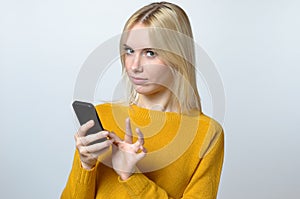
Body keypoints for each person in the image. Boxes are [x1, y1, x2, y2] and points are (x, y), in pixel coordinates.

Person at [61, 2, 224, 199]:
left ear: (178, 56)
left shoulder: (206, 134)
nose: (134, 66)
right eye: (129, 51)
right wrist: (85, 164)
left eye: (150, 53)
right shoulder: (103, 118)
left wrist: (132, 175)